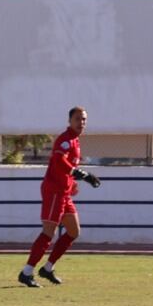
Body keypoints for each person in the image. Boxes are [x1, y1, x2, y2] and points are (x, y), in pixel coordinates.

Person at [21, 105, 101, 288]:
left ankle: (47, 268)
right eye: (78, 119)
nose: (81, 122)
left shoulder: (75, 140)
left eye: (84, 119)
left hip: (64, 193)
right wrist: (80, 174)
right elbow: (59, 161)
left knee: (73, 231)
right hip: (54, 191)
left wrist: (72, 183)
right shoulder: (65, 140)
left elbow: (65, 168)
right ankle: (26, 272)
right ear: (69, 121)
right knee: (48, 233)